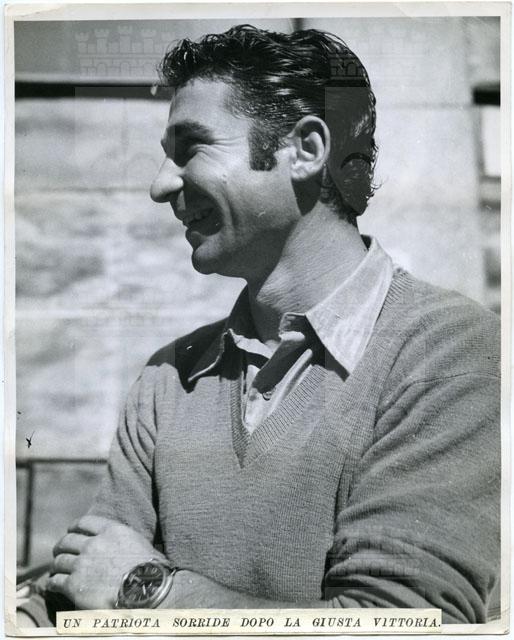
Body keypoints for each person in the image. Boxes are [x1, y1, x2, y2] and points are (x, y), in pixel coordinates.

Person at [18, 24, 500, 626]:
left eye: (191, 147)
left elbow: (401, 624)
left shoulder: (450, 353)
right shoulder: (169, 378)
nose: (160, 184)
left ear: (305, 150)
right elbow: (76, 594)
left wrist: (149, 591)